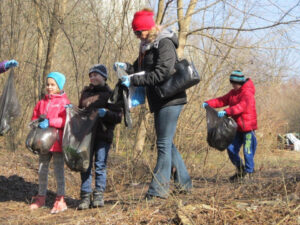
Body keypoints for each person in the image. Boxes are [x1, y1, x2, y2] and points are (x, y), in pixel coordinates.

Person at [114, 8, 192, 199]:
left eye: (140, 32)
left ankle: (158, 191)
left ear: (149, 29)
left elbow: (162, 73)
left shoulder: (164, 43)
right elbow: (139, 69)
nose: (138, 36)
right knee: (167, 143)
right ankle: (185, 184)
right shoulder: (146, 47)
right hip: (158, 100)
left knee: (163, 144)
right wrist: (126, 67)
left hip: (171, 98)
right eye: (135, 33)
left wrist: (133, 81)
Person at [77, 64, 122, 210]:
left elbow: (118, 117)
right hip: (86, 135)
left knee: (100, 165)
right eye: (90, 75)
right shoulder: (85, 93)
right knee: (85, 165)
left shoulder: (111, 94)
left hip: (103, 135)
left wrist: (106, 113)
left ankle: (98, 195)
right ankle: (85, 196)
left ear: (104, 77)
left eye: (96, 74)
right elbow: (80, 112)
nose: (93, 77)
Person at [203, 70, 257, 182]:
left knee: (248, 151)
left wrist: (227, 111)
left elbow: (241, 107)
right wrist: (208, 103)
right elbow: (221, 100)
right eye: (231, 82)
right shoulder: (233, 93)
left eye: (235, 83)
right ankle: (241, 170)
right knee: (231, 149)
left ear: (240, 83)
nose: (233, 85)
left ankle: (249, 173)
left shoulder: (247, 93)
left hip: (248, 130)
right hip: (237, 129)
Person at [30, 72, 70, 213]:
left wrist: (51, 122)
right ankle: (41, 198)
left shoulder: (65, 102)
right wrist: (36, 123)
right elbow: (34, 117)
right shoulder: (42, 102)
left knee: (59, 171)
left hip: (58, 142)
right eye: (48, 84)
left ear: (59, 86)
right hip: (43, 143)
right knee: (42, 170)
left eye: (53, 84)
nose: (49, 87)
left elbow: (66, 121)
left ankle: (60, 200)